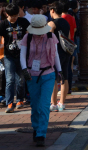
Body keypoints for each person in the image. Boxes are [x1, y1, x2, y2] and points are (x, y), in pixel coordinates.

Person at [20, 15, 62, 147]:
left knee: (44, 105)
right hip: (32, 74)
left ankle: (41, 134)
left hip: (48, 74)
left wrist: (59, 71)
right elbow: (22, 55)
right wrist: (24, 70)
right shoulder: (28, 37)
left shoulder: (51, 37)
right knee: (35, 105)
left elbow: (55, 55)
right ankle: (36, 127)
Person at [0, 3, 30, 113]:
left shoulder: (23, 22)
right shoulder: (3, 25)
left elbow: (30, 35)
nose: (14, 18)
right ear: (6, 14)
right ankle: (10, 103)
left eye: (16, 15)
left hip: (22, 55)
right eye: (12, 16)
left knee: (20, 79)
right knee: (10, 80)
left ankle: (20, 99)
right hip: (8, 55)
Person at [48, 1, 71, 112]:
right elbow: (70, 37)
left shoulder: (52, 23)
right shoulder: (66, 22)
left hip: (55, 53)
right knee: (64, 77)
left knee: (53, 78)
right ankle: (62, 103)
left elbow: (48, 39)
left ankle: (53, 104)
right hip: (66, 52)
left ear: (52, 10)